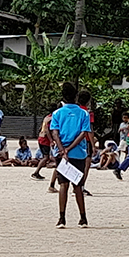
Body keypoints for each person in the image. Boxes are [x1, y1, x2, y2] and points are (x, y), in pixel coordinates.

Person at [50, 83, 93, 228]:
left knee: (63, 185)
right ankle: (83, 218)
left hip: (61, 154)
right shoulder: (83, 113)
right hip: (78, 153)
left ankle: (61, 218)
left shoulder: (57, 113)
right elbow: (83, 133)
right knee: (78, 186)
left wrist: (62, 149)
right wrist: (70, 148)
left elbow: (55, 133)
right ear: (76, 96)